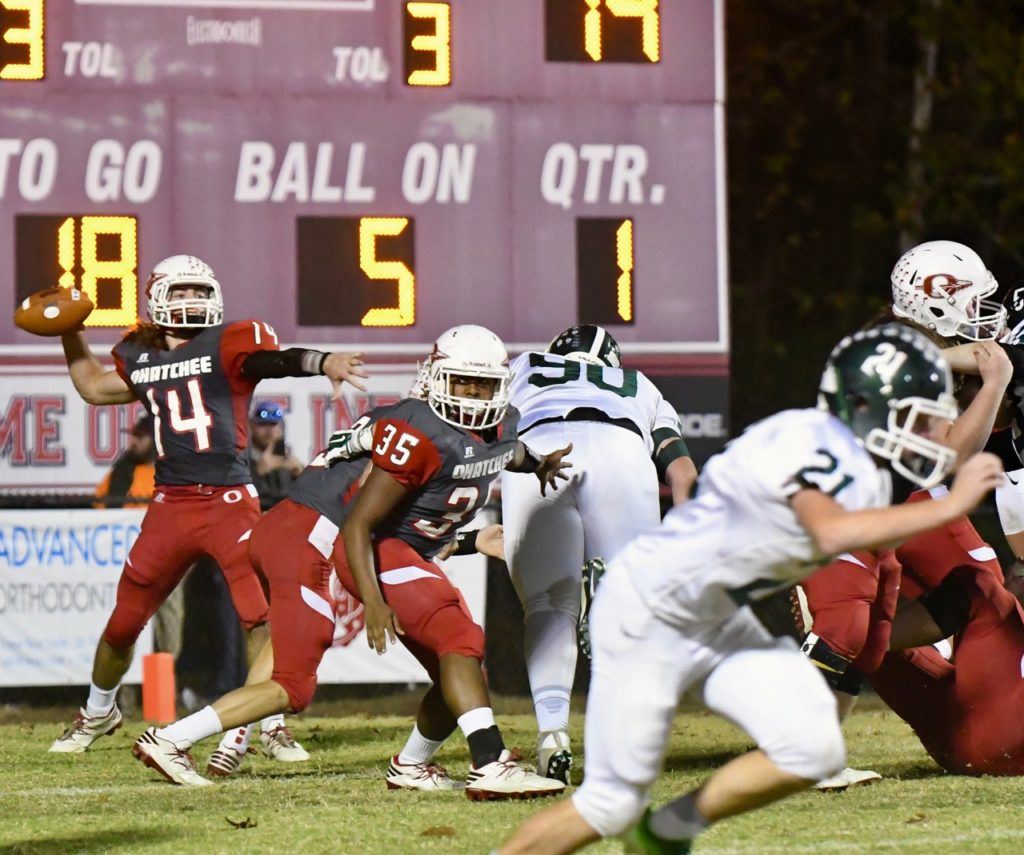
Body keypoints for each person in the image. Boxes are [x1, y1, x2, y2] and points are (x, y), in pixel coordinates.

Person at [497, 324, 1002, 854]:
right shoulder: (812, 450)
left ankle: (667, 830)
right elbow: (826, 529)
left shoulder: (850, 454)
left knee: (812, 749)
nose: (933, 425)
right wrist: (950, 503)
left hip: (710, 613)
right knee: (608, 804)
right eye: (918, 413)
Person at [131, 325, 572, 799]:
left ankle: (397, 762)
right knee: (295, 683)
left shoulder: (492, 428)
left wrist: (537, 466)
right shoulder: (416, 430)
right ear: (434, 379)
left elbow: (501, 457)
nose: (472, 395)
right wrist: (377, 603)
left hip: (319, 534)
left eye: (483, 385)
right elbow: (364, 522)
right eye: (462, 382)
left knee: (448, 666)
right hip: (307, 533)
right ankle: (172, 738)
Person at [48, 254, 368, 759]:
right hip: (171, 504)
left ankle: (271, 723)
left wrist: (319, 361)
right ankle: (98, 710)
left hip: (229, 502)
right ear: (157, 299)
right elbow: (91, 386)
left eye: (199, 291)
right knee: (123, 623)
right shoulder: (140, 354)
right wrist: (70, 334)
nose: (191, 301)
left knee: (260, 616)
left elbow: (273, 361)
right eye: (180, 293)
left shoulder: (231, 344)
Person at [501, 324, 697, 781]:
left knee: (549, 606)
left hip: (542, 449)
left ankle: (553, 735)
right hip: (623, 450)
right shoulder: (639, 385)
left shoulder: (525, 365)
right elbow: (683, 472)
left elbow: (491, 425)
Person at [248, 400, 304, 511]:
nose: (269, 430)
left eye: (273, 424)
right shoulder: (243, 461)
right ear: (252, 427)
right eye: (263, 425)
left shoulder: (289, 462)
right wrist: (257, 475)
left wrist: (300, 475)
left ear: (281, 428)